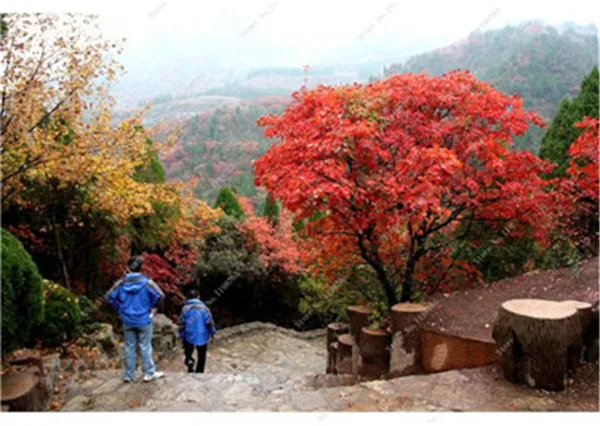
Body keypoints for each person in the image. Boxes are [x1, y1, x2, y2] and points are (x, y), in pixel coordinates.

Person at [105, 256, 165, 383]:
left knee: (129, 347)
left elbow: (109, 297)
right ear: (140, 267)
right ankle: (149, 373)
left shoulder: (121, 283)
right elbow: (160, 296)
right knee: (145, 346)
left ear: (128, 268)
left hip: (127, 319)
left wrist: (119, 309)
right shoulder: (147, 282)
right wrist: (154, 310)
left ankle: (129, 375)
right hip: (144, 319)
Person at [179, 288, 216, 373]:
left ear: (188, 297)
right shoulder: (205, 308)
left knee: (188, 351)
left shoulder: (185, 308)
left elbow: (182, 323)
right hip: (202, 334)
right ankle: (199, 371)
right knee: (202, 354)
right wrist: (212, 332)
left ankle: (189, 361)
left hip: (188, 334)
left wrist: (181, 334)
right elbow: (209, 322)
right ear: (198, 297)